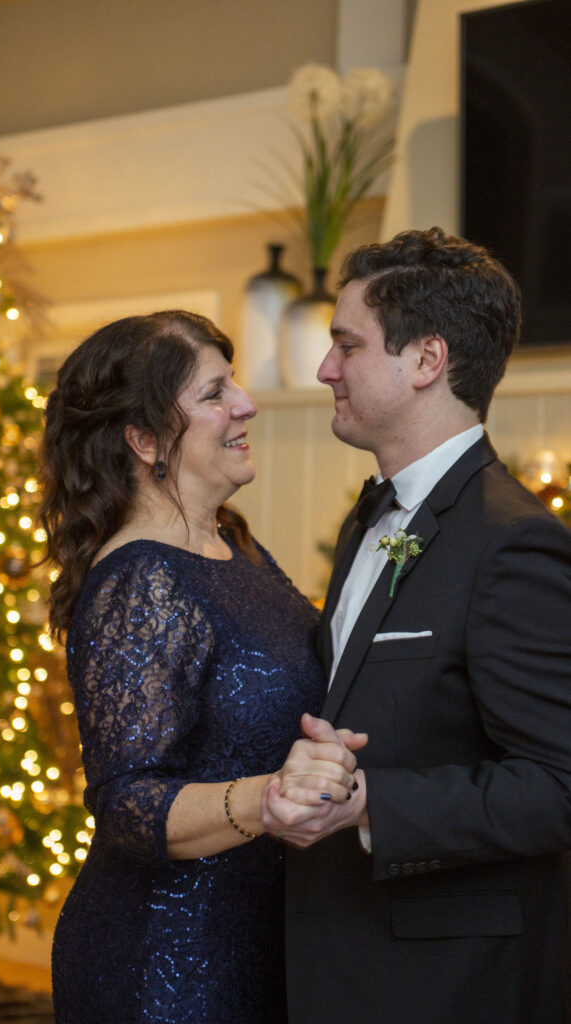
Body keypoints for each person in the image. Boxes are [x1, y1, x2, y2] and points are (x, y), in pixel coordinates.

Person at [261, 227, 571, 1024]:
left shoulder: (511, 540)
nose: (325, 368)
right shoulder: (376, 512)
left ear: (426, 360)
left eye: (345, 345)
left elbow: (557, 785)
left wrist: (368, 802)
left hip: (442, 982)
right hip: (342, 953)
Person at [39, 310, 363, 1024]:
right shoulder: (140, 581)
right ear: (146, 440)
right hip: (167, 963)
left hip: (253, 940)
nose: (245, 403)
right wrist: (268, 798)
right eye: (215, 393)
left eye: (234, 383)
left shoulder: (233, 545)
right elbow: (126, 802)